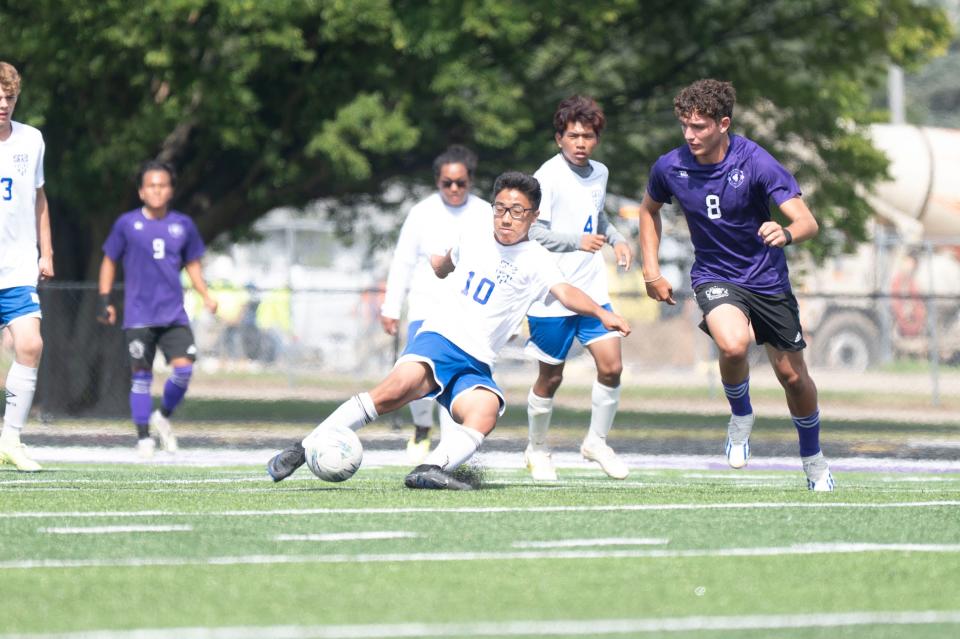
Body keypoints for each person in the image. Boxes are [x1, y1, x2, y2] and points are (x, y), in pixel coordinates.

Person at [267, 171, 631, 489]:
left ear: (534, 216)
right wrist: (439, 264)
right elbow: (446, 263)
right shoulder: (473, 234)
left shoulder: (537, 259)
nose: (506, 218)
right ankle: (303, 448)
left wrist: (602, 312)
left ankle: (429, 469)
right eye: (500, 208)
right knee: (391, 392)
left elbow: (564, 292)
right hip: (441, 339)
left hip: (476, 362)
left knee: (485, 410)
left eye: (517, 211)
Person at [635, 79, 834, 491]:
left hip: (767, 279)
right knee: (732, 344)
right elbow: (648, 211)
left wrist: (786, 233)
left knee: (792, 377)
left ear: (723, 124)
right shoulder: (669, 167)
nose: (690, 135)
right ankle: (741, 414)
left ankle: (813, 460)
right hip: (715, 274)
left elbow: (807, 222)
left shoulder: (757, 162)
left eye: (700, 127)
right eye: (685, 126)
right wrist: (651, 271)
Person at [524, 95, 634, 481]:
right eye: (573, 135)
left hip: (592, 290)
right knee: (551, 378)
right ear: (559, 139)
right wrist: (575, 241)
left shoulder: (599, 173)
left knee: (612, 366)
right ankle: (537, 448)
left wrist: (618, 238)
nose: (581, 142)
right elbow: (533, 230)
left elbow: (597, 217)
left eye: (588, 136)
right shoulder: (546, 177)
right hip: (552, 293)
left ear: (596, 139)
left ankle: (595, 442)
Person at [98, 161, 218, 458]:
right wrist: (105, 299)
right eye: (151, 185)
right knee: (141, 376)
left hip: (173, 314)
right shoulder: (127, 224)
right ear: (141, 191)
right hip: (139, 314)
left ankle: (162, 415)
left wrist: (206, 294)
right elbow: (109, 261)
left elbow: (192, 263)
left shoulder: (183, 225)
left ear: (171, 190)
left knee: (184, 370)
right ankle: (143, 438)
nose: (157, 190)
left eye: (162, 185)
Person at [380, 145, 490, 464]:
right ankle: (422, 426)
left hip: (466, 311)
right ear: (438, 182)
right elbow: (402, 261)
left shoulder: (485, 213)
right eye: (447, 183)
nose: (454, 189)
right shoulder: (421, 212)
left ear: (470, 181)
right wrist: (391, 307)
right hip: (425, 308)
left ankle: (447, 450)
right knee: (415, 376)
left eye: (460, 183)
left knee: (453, 379)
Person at [0, 61, 54, 472]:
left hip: (17, 266)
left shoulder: (31, 140)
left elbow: (38, 199)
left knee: (30, 344)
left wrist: (46, 253)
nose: (4, 104)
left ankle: (11, 439)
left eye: (10, 97)